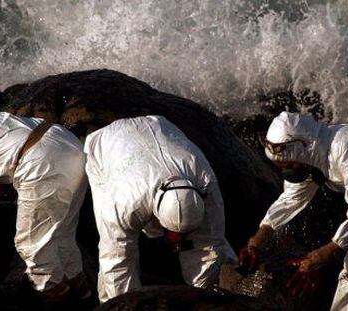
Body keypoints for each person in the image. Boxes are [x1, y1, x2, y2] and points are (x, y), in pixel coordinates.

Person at [84, 115, 237, 302]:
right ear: (156, 216)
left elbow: (210, 243)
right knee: (113, 254)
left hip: (158, 126)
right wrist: (126, 304)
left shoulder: (206, 182)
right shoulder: (125, 205)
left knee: (211, 250)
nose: (179, 242)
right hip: (105, 146)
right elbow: (117, 263)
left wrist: (204, 298)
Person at [0, 101, 90, 302]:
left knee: (32, 247)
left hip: (40, 160)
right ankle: (85, 297)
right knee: (62, 239)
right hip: (64, 141)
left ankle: (54, 298)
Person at [240, 111, 348, 311]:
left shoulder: (346, 146)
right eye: (280, 167)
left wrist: (321, 255)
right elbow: (291, 199)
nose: (286, 171)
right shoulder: (313, 158)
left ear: (304, 147)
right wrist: (258, 240)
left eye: (289, 165)